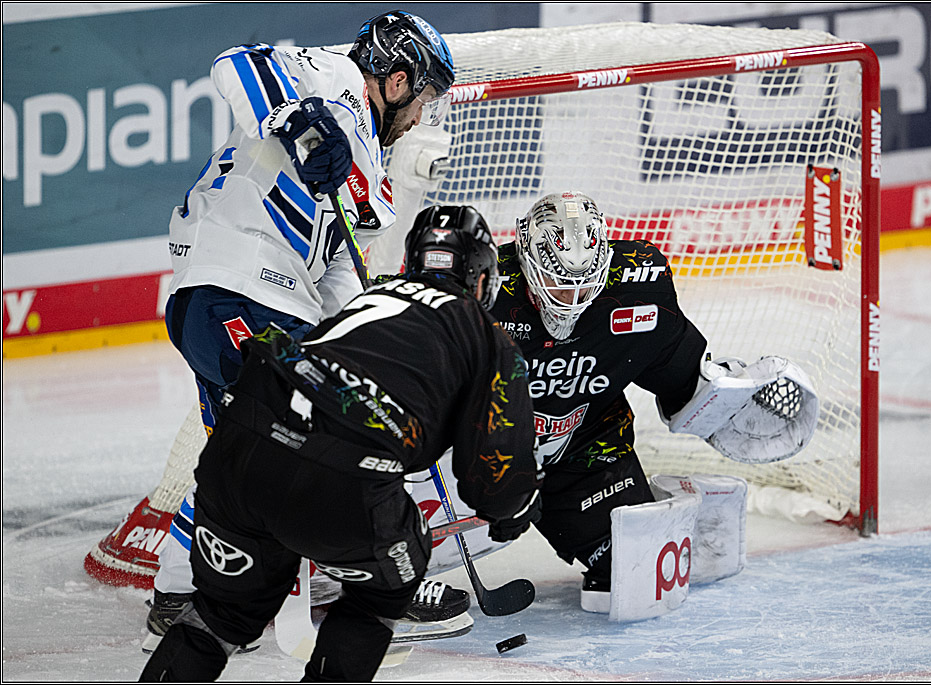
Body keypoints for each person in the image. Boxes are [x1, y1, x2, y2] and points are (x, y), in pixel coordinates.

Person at [82, 10, 465, 650]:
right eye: (423, 100)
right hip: (235, 288)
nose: (423, 117)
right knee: (326, 440)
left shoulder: (371, 171)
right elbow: (236, 62)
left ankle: (179, 593)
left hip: (246, 300)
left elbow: (337, 263)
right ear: (395, 81)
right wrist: (295, 119)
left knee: (242, 454)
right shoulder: (335, 76)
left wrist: (358, 336)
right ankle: (373, 581)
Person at [138, 204, 544, 682]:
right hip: (342, 474)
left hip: (241, 446)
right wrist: (514, 511)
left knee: (219, 615)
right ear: (482, 279)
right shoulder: (489, 340)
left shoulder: (369, 298)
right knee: (384, 588)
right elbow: (495, 477)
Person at [488, 191, 710, 612]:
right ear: (526, 261)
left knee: (631, 569)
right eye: (557, 282)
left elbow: (681, 374)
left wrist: (725, 399)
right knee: (401, 555)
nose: (570, 299)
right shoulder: (482, 286)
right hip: (483, 452)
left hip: (587, 449)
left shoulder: (638, 285)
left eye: (583, 284)